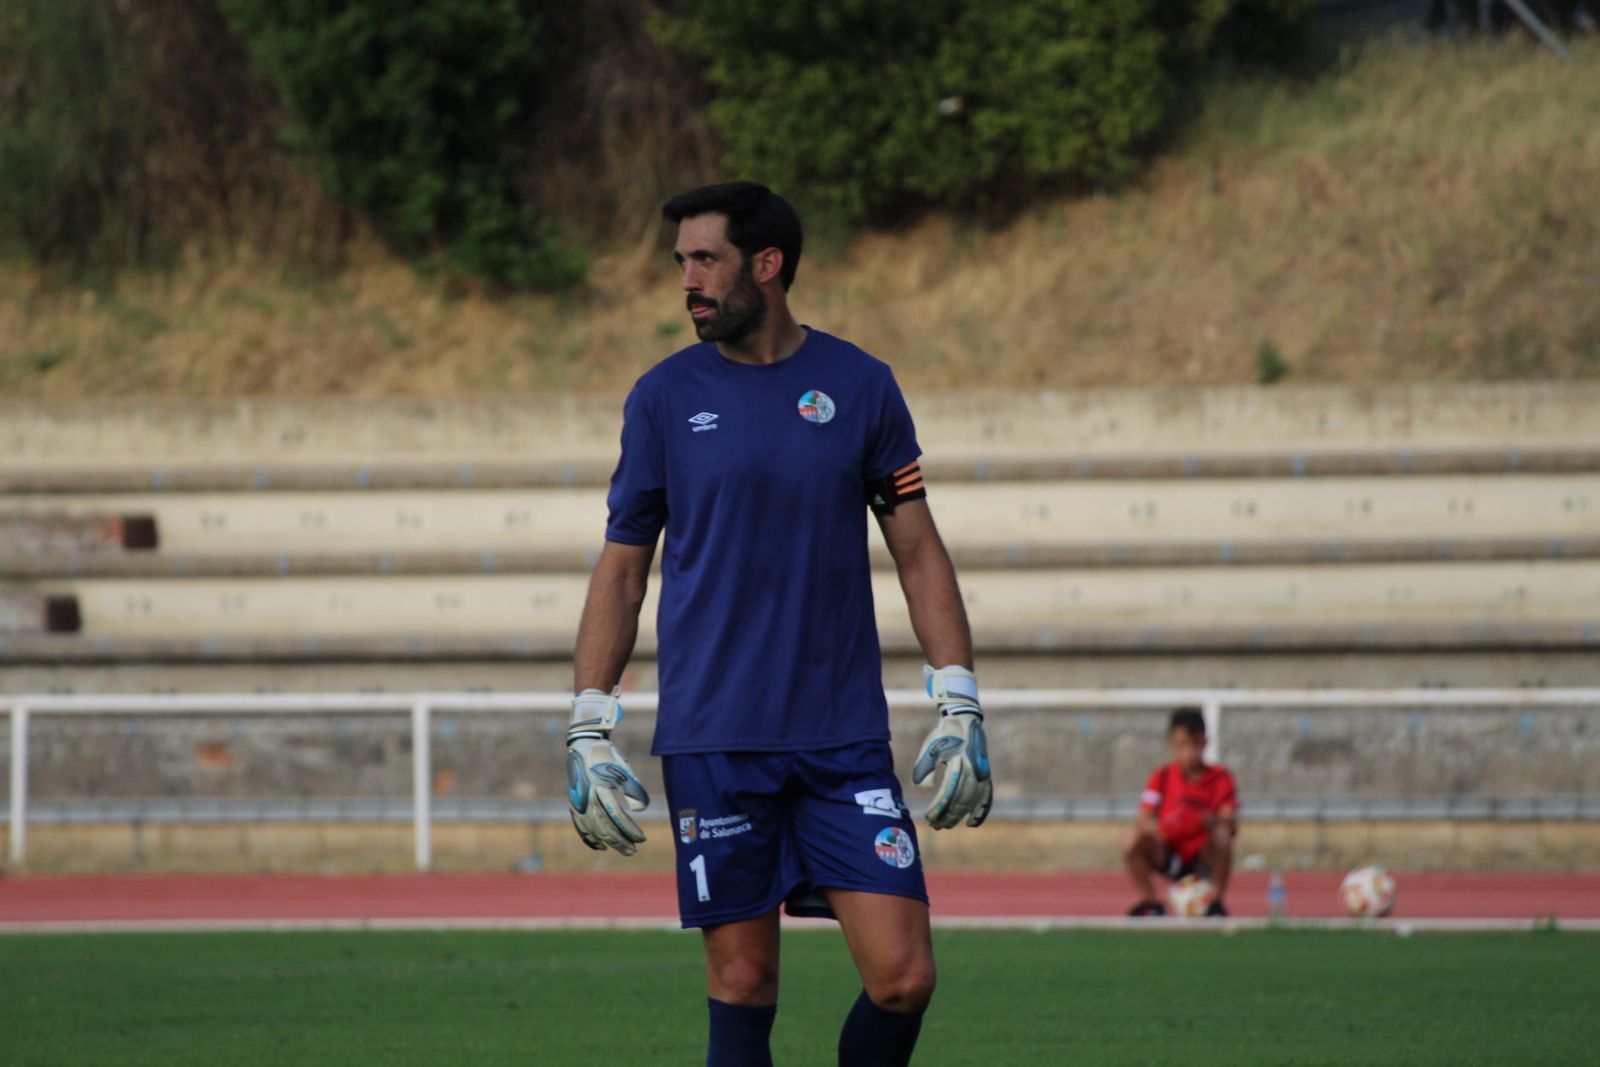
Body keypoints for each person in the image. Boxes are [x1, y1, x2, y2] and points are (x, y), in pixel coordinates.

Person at [565, 180, 992, 1067]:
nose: (687, 280)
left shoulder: (862, 385)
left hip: (842, 738)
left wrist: (959, 698)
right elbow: (623, 565)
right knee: (744, 981)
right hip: (717, 737)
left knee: (904, 977)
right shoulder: (662, 397)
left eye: (705, 259)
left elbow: (918, 549)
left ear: (767, 264)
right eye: (681, 261)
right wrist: (588, 720)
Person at [1122, 706, 1238, 917]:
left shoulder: (1220, 777)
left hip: (1203, 856)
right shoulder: (1161, 777)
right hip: (1170, 854)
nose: (1189, 752)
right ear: (1171, 744)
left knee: (1222, 834)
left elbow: (1229, 821)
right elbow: (1143, 817)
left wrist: (1213, 821)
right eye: (1182, 745)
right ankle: (1151, 902)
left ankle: (1215, 903)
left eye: (1196, 744)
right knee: (1131, 838)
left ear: (1205, 743)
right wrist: (1153, 829)